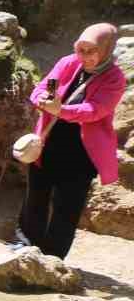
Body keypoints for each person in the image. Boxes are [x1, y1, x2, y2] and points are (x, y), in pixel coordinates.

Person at [14, 23, 127, 260]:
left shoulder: (114, 79)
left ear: (106, 49)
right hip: (49, 143)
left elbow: (95, 110)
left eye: (91, 51)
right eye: (80, 49)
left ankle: (54, 257)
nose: (83, 56)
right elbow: (48, 85)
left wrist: (62, 110)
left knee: (68, 204)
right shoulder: (68, 63)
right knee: (36, 194)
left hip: (82, 152)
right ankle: (26, 244)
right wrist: (43, 99)